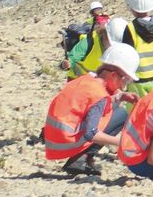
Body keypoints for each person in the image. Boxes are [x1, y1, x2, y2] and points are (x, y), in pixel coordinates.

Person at [43, 44, 141, 175]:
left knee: (114, 109)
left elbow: (89, 106)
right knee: (121, 115)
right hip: (64, 143)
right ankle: (80, 160)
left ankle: (79, 159)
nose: (124, 86)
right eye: (125, 80)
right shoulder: (99, 95)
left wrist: (120, 97)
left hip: (53, 138)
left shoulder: (87, 80)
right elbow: (91, 133)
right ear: (113, 75)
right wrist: (124, 142)